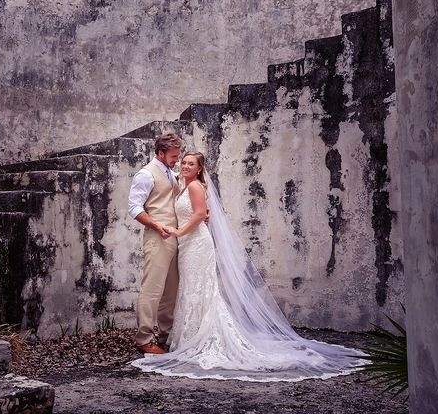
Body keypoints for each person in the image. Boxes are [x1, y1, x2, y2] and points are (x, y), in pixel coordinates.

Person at [131, 151, 366, 382]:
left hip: (196, 243)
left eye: (190, 164)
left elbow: (199, 214)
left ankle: (202, 336)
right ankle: (188, 336)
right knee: (192, 289)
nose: (184, 166)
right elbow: (199, 211)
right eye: (183, 162)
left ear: (200, 168)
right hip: (187, 245)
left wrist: (179, 231)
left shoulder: (193, 186)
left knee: (200, 289)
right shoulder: (182, 184)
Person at [127, 132, 183, 354]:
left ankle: (164, 336)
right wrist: (156, 226)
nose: (177, 160)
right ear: (160, 153)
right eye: (173, 156)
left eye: (178, 156)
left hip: (174, 237)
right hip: (157, 237)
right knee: (152, 289)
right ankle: (144, 339)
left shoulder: (170, 172)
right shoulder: (145, 175)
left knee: (171, 291)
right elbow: (134, 208)